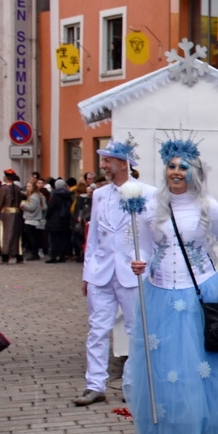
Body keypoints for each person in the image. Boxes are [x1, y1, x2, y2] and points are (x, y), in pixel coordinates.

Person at [123, 139, 218, 434]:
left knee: (200, 365)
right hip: (160, 292)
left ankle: (202, 429)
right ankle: (166, 430)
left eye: (183, 167)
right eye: (171, 166)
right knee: (163, 366)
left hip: (199, 290)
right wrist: (140, 262)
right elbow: (146, 247)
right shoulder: (151, 206)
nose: (176, 172)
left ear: (195, 172)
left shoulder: (207, 206)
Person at [77, 140, 148, 406]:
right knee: (97, 329)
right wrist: (87, 273)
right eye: (104, 160)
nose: (103, 165)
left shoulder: (145, 193)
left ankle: (132, 383)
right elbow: (93, 236)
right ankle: (94, 384)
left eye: (108, 160)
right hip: (101, 271)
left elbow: (153, 236)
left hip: (132, 272)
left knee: (135, 329)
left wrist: (146, 263)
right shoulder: (99, 195)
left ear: (123, 163)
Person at [0, 171, 23, 263]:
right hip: (17, 213)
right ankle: (19, 255)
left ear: (6, 178)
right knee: (16, 235)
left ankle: (5, 255)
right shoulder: (18, 188)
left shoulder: (3, 189)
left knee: (5, 234)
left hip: (6, 214)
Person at [22, 178, 46, 261]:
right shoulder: (34, 196)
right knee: (33, 237)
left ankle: (34, 253)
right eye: (27, 186)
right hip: (32, 219)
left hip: (32, 219)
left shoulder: (33, 197)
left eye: (29, 186)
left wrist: (23, 205)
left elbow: (32, 208)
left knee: (32, 238)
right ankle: (34, 253)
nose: (27, 188)